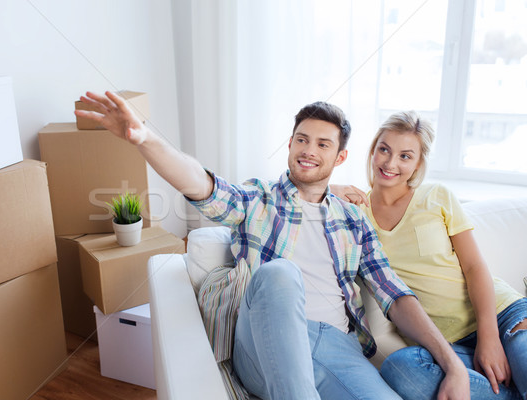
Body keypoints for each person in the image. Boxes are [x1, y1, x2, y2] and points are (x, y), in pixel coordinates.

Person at [75, 91, 470, 400]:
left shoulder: (353, 220)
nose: (308, 150)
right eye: (301, 139)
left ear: (340, 156)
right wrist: (145, 139)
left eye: (322, 144)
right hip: (262, 341)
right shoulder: (258, 199)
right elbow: (201, 184)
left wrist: (451, 362)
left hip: (335, 346)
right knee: (280, 274)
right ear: (290, 144)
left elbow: (395, 295)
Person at [334, 111, 526, 400]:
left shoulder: (437, 196)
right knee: (400, 369)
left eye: (405, 156)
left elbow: (474, 266)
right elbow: (293, 194)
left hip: (502, 317)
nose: (390, 163)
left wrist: (490, 338)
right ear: (372, 150)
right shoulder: (356, 213)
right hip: (445, 347)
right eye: (383, 149)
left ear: (418, 163)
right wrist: (328, 188)